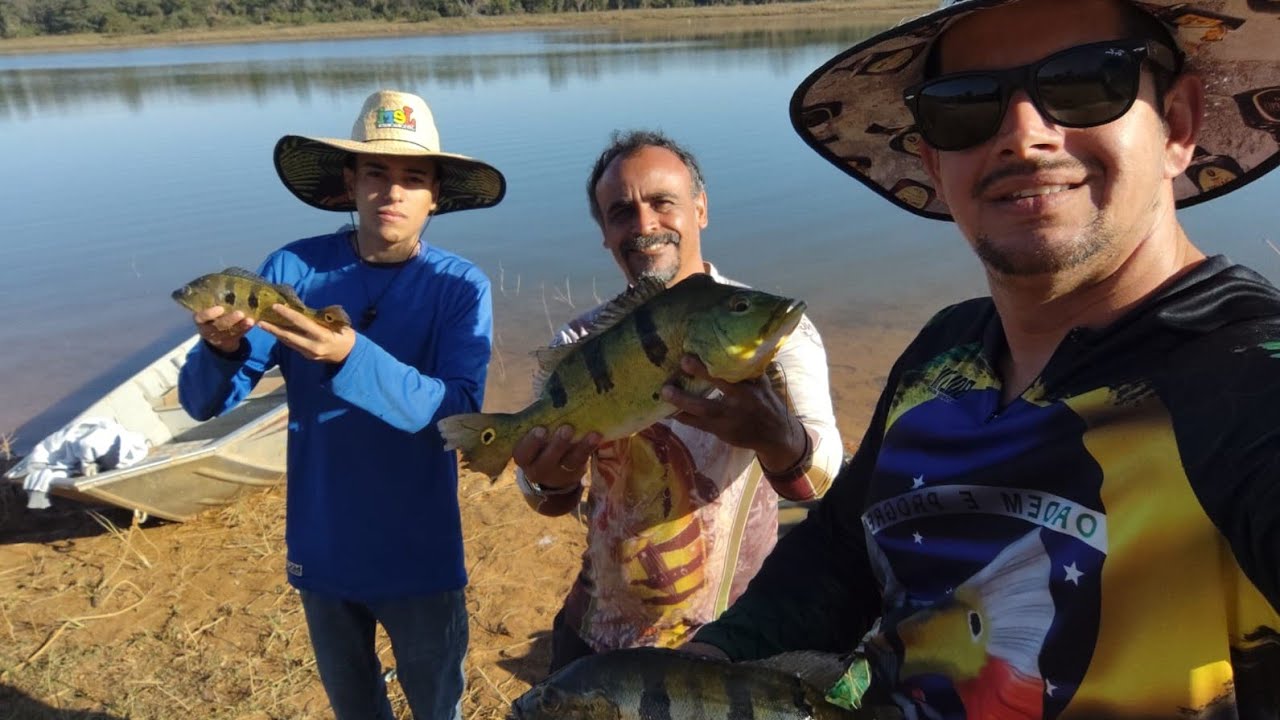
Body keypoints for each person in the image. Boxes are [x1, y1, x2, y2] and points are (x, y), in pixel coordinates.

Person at [688, 0, 1280, 717]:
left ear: (1178, 125)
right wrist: (709, 661)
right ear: (934, 163)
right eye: (966, 104)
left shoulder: (1243, 372)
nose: (1024, 135)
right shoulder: (945, 353)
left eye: (1088, 81)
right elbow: (845, 551)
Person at [177, 89, 505, 720]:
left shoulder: (461, 288)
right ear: (350, 182)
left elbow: (461, 414)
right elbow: (201, 403)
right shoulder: (293, 269)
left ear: (436, 195)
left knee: (439, 705)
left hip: (420, 554)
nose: (392, 192)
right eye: (376, 173)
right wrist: (217, 349)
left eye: (413, 178)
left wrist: (347, 354)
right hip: (324, 547)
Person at [511, 129, 844, 673]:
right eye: (621, 212)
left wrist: (776, 437)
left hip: (730, 639)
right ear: (604, 234)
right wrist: (550, 477)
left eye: (662, 202)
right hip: (596, 635)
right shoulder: (578, 345)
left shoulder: (768, 328)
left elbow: (822, 478)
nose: (644, 226)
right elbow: (544, 496)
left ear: (701, 208)